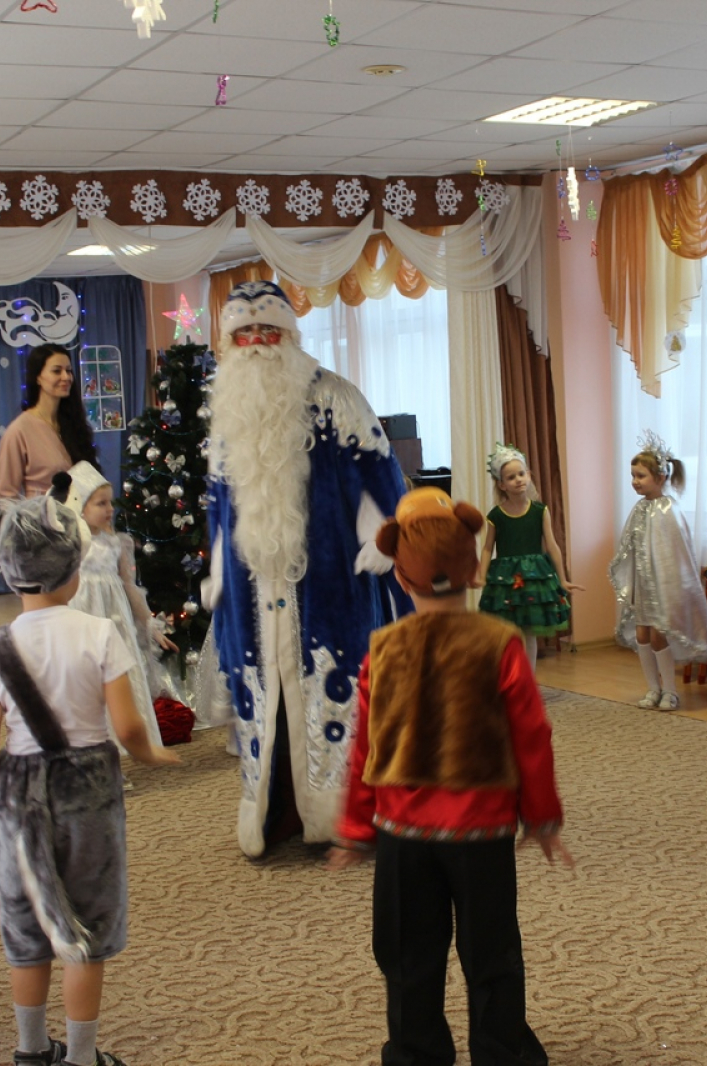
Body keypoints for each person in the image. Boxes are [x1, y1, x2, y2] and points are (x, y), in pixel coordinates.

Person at [329, 487, 570, 1066]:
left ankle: (416, 1053)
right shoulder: (500, 643)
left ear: (400, 578)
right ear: (474, 569)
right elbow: (532, 736)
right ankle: (501, 1051)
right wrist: (541, 818)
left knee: (408, 954)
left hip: (402, 833)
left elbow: (365, 747)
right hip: (480, 832)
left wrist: (357, 827)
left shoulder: (381, 650)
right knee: (492, 952)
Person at [0, 485, 181, 1066]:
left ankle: (30, 1051)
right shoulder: (97, 633)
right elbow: (128, 725)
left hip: (16, 795)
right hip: (86, 793)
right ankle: (83, 1057)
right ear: (73, 571)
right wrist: (151, 757)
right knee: (84, 928)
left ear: (12, 574)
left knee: (26, 928)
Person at [204, 280, 410, 857]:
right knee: (266, 693)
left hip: (331, 580)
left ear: (289, 334)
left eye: (266, 332)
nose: (255, 344)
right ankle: (275, 813)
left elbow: (378, 473)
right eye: (243, 335)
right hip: (252, 587)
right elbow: (219, 505)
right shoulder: (226, 411)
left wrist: (383, 536)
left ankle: (343, 814)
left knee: (333, 692)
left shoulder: (334, 397)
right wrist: (218, 566)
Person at [59, 460, 170, 750]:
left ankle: (117, 750)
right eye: (100, 503)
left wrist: (149, 623)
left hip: (114, 622)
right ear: (80, 506)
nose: (109, 509)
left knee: (116, 682)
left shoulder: (117, 543)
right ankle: (89, 748)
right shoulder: (73, 544)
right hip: (84, 618)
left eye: (110, 502)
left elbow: (128, 585)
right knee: (88, 684)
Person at [609, 432, 707, 710]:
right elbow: (630, 549)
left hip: (664, 587)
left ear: (660, 478)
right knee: (643, 635)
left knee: (659, 635)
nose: (635, 481)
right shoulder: (639, 509)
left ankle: (670, 691)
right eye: (633, 475)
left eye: (641, 476)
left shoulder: (669, 510)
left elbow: (676, 555)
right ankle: (652, 688)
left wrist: (671, 587)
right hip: (643, 587)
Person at [476, 442, 582, 670]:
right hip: (506, 580)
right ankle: (510, 678)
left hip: (534, 578)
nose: (518, 480)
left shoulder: (539, 510)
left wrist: (562, 579)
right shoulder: (497, 515)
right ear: (502, 485)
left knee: (529, 634)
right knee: (509, 635)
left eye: (521, 474)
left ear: (529, 475)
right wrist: (482, 576)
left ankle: (529, 680)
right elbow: (487, 548)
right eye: (511, 477)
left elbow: (552, 545)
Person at [0, 343, 98, 500]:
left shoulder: (73, 423)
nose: (66, 377)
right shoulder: (19, 431)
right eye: (57, 371)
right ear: (37, 377)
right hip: (42, 522)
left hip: (80, 521)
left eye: (68, 371)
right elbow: (7, 497)